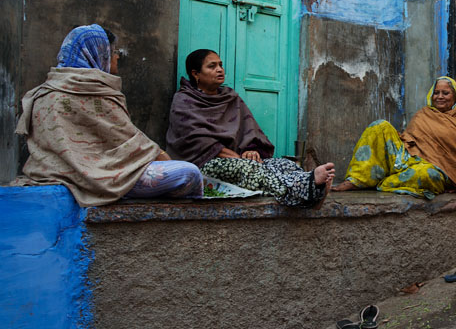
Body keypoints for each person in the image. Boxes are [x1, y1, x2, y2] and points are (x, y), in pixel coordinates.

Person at [15, 24, 203, 207]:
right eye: (114, 52)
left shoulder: (43, 92)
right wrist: (160, 155)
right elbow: (127, 140)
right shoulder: (95, 90)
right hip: (106, 176)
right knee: (189, 173)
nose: (116, 58)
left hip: (55, 172)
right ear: (99, 53)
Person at [166, 49, 335, 206]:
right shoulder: (184, 101)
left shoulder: (230, 98)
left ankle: (310, 186)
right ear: (196, 74)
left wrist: (251, 150)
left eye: (220, 65)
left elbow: (249, 130)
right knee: (250, 169)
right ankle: (308, 189)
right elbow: (196, 140)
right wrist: (237, 158)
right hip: (202, 164)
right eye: (212, 66)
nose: (220, 70)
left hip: (236, 158)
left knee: (282, 164)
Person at [331, 76, 456, 199]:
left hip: (433, 169)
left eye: (445, 93)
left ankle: (383, 182)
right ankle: (356, 180)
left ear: (455, 96)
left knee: (427, 175)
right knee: (379, 126)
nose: (440, 97)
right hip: (408, 159)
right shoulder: (423, 115)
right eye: (436, 93)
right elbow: (409, 140)